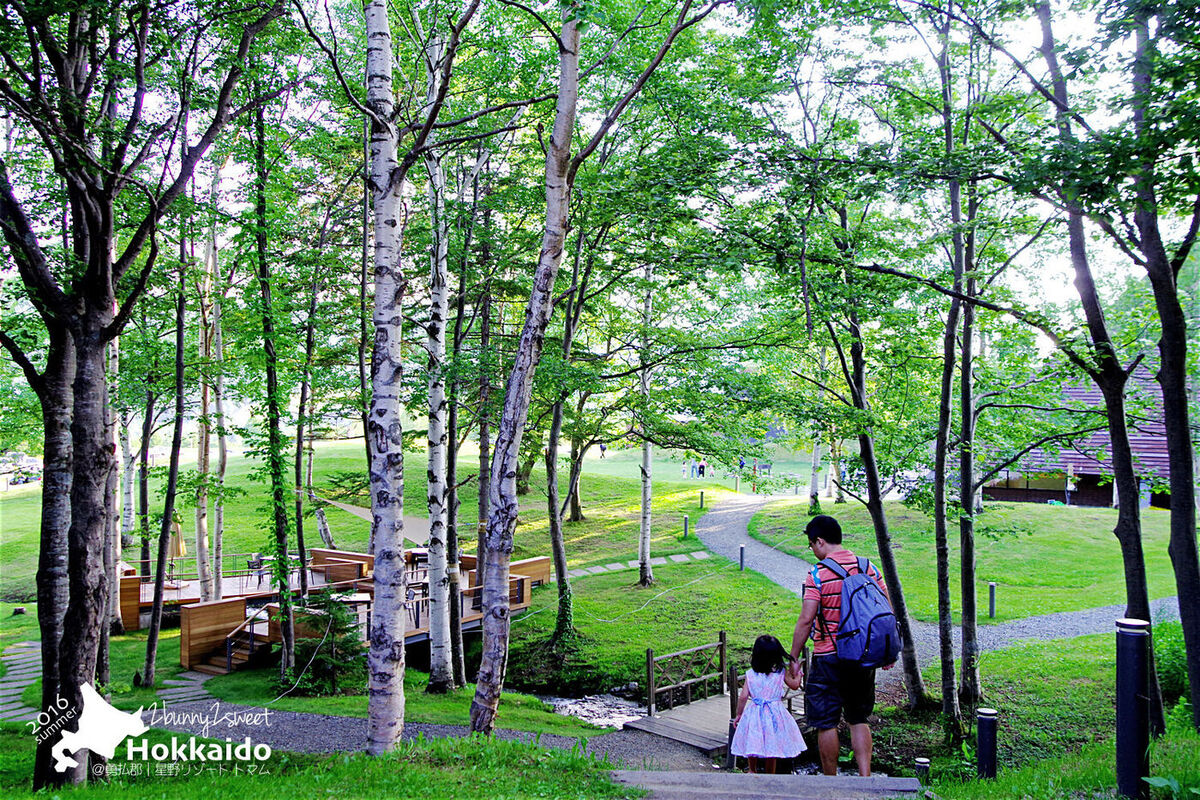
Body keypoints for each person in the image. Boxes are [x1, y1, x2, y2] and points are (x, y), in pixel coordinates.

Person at [789, 514, 891, 777]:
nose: (812, 550)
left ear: (820, 541)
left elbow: (806, 619)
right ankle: (865, 778)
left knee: (826, 722)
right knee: (858, 719)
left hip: (828, 656)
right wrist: (886, 650)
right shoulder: (870, 568)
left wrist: (794, 657)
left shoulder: (818, 574)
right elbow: (885, 611)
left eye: (811, 544)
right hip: (863, 657)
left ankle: (831, 781)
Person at [731, 634, 806, 774]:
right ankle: (770, 773)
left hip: (755, 712)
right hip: (775, 714)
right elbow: (795, 686)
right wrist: (798, 674)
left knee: (753, 740)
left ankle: (752, 770)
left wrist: (739, 714)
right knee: (773, 745)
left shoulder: (750, 674)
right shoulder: (781, 673)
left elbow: (743, 697)